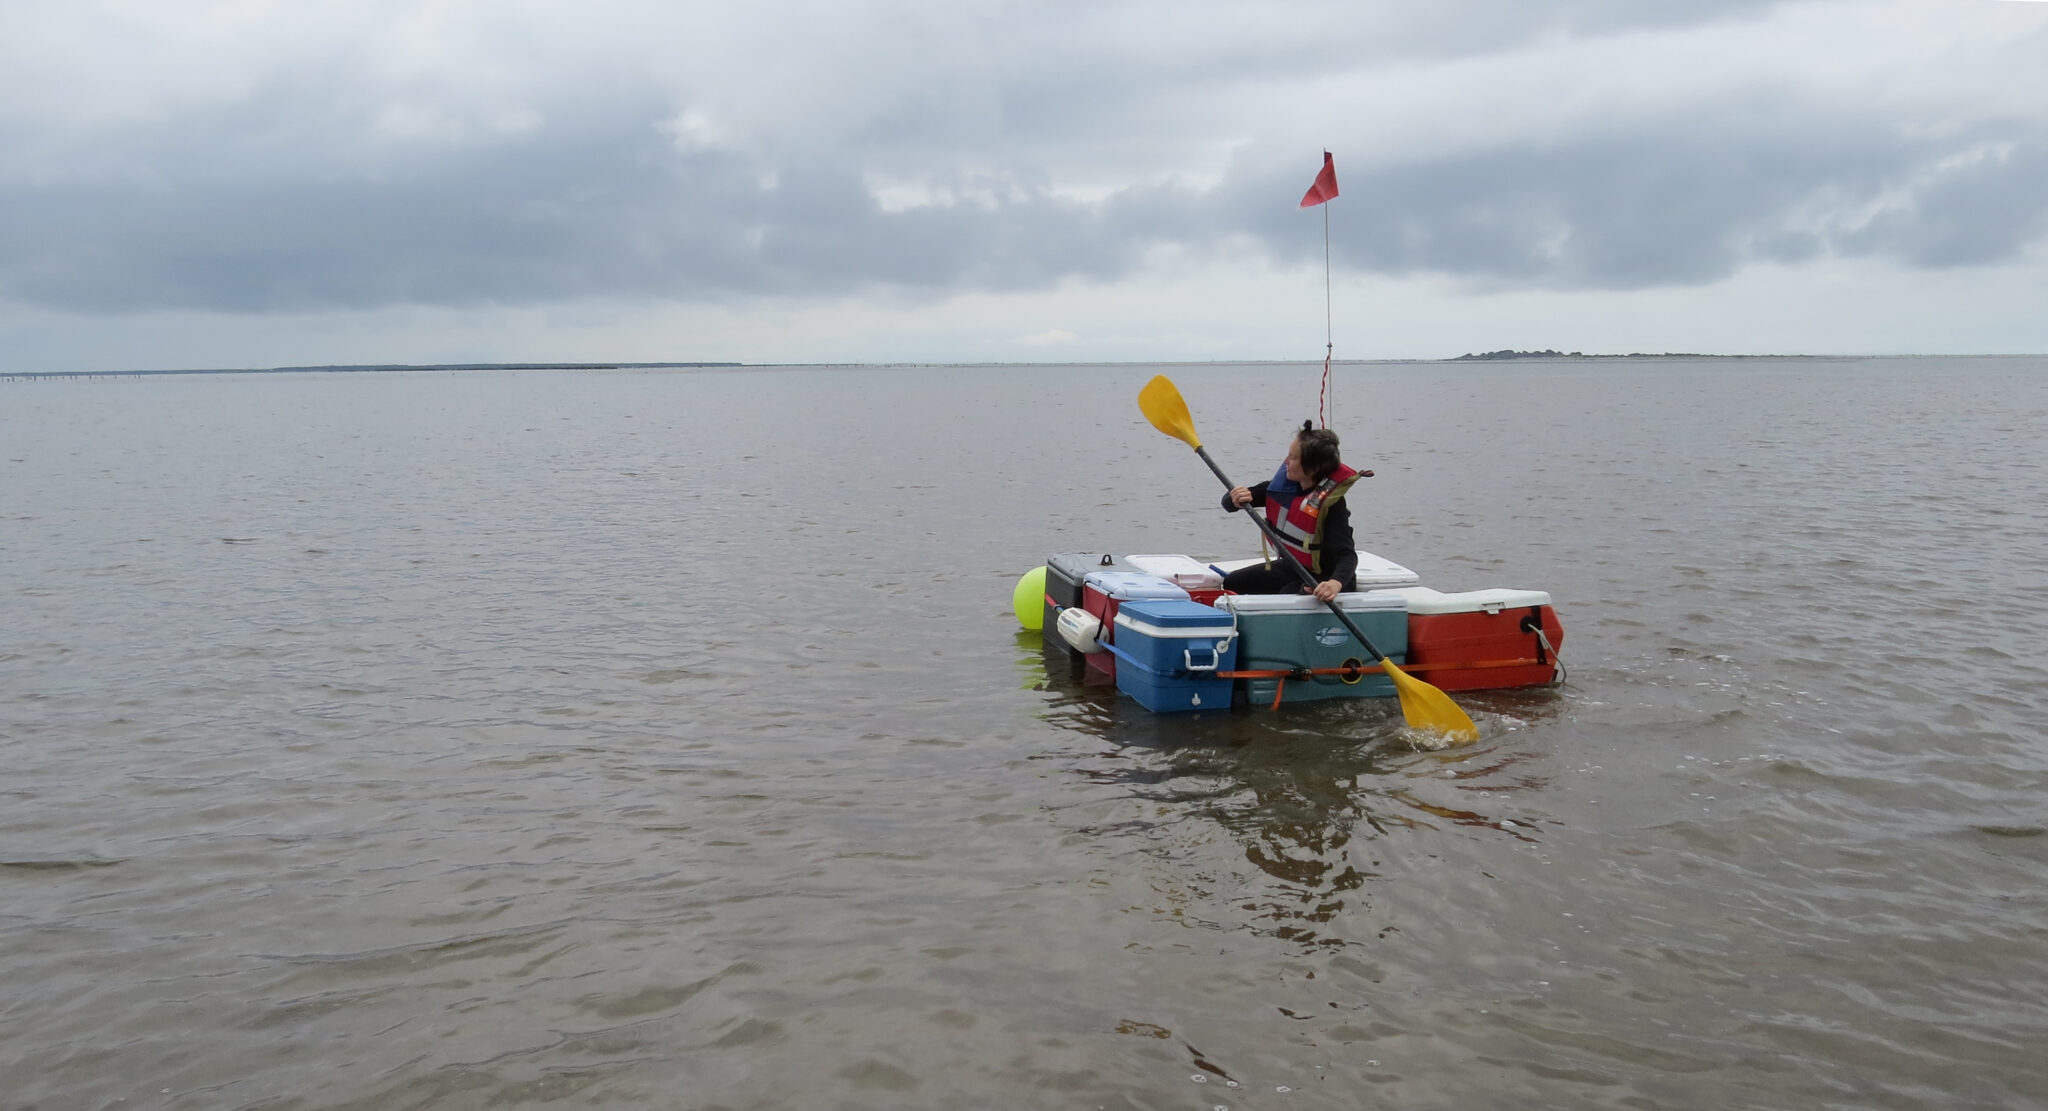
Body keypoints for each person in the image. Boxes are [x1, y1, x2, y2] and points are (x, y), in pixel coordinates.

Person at [1221, 421, 1367, 602]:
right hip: (1295, 567)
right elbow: (1228, 504)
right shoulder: (1282, 489)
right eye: (1288, 455)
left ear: (1313, 468)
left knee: (1287, 595)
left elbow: (1347, 555)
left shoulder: (1332, 506)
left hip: (1326, 578)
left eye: (1294, 457)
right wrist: (1233, 498)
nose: (1287, 462)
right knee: (1232, 583)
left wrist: (1335, 584)